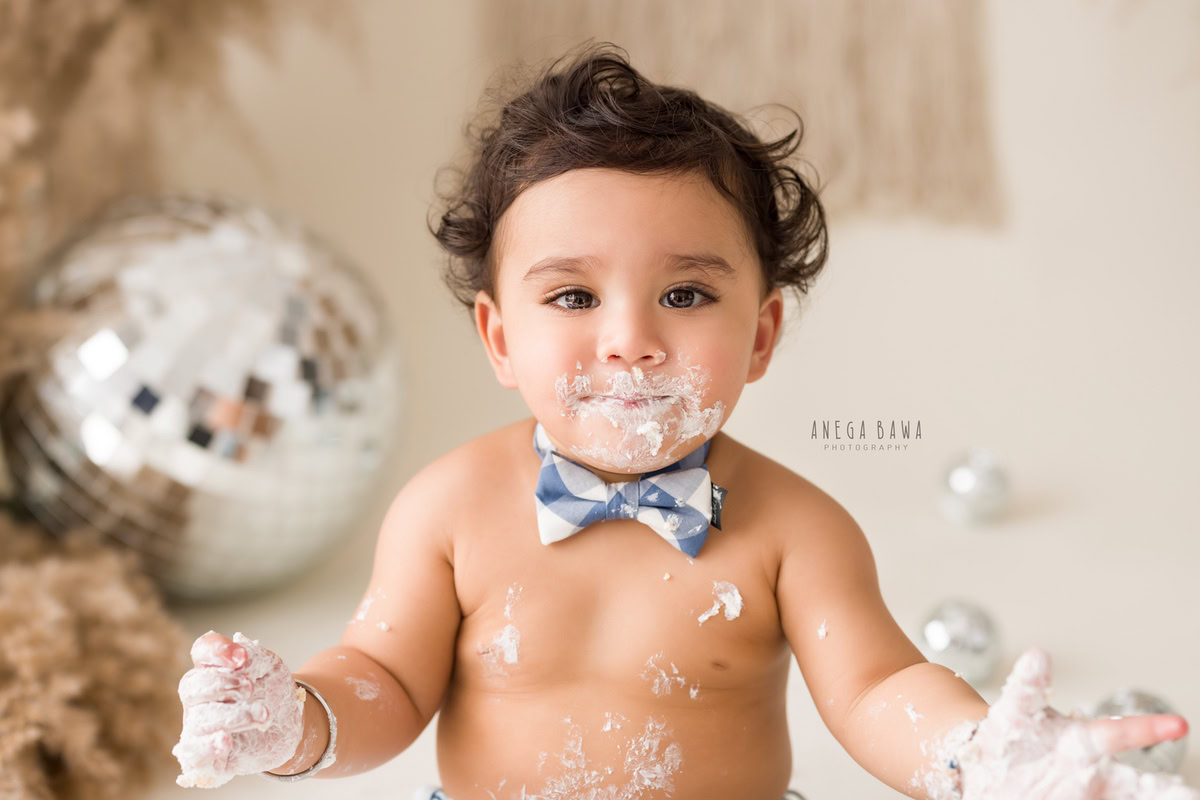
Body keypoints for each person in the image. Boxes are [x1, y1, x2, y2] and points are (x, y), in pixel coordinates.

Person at [172, 43, 1196, 799]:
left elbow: (881, 687)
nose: (629, 339)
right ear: (497, 337)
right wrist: (294, 718)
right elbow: (383, 680)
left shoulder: (798, 530)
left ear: (760, 335)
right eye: (572, 298)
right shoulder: (448, 510)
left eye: (688, 295)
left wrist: (975, 753)